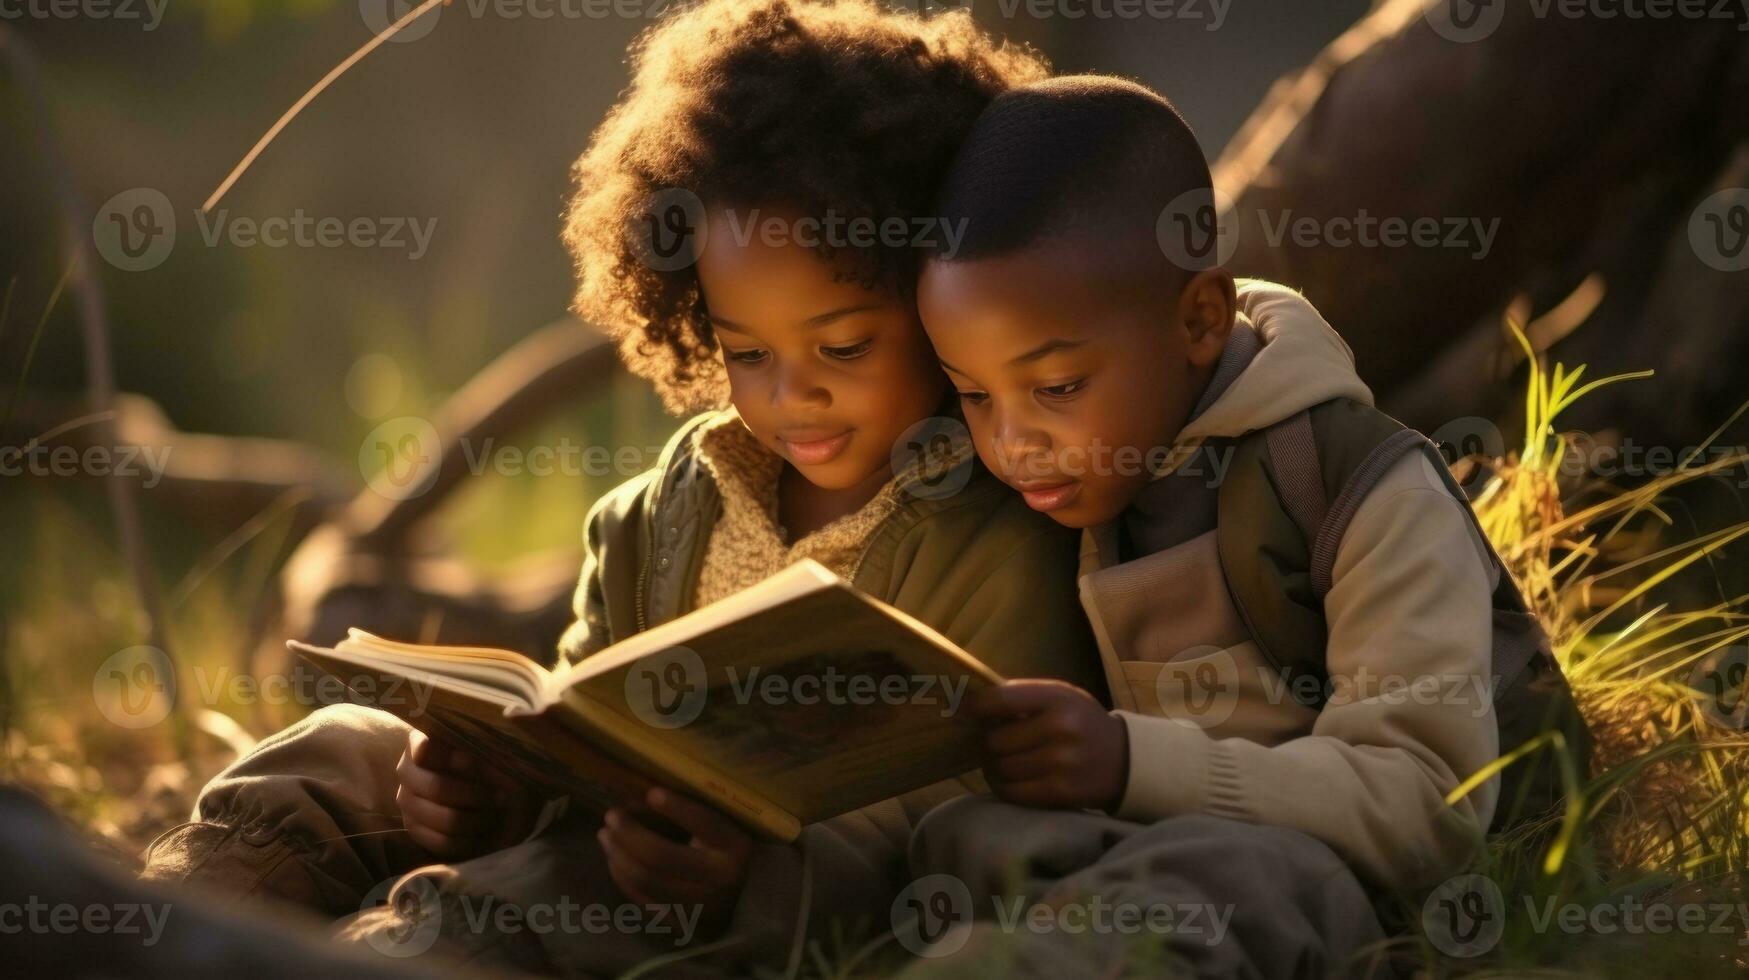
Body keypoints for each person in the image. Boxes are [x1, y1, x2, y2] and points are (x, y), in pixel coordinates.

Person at [142, 3, 1106, 975]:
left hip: (739, 902)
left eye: (844, 345)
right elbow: (580, 720)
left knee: (503, 902)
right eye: (746, 350)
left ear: (944, 300)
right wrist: (488, 789)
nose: (791, 390)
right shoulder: (661, 510)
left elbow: (967, 832)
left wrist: (752, 873)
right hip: (597, 835)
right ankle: (155, 924)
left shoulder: (998, 540)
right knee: (336, 749)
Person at [899, 75, 1506, 979]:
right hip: (1157, 840)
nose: (1012, 442)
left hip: (1333, 875)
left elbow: (1428, 804)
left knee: (1225, 876)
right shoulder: (1084, 483)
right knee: (962, 834)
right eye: (974, 394)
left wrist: (1129, 762)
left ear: (1198, 318)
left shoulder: (1363, 487)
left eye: (1056, 387)